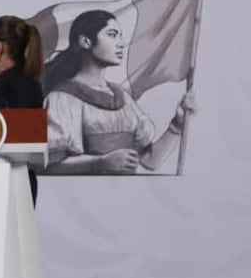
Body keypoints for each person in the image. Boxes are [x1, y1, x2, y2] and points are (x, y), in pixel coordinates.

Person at [42, 9, 196, 175]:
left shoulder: (123, 98)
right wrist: (100, 163)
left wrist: (177, 124)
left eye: (120, 36)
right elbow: (50, 165)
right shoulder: (61, 99)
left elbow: (150, 161)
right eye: (112, 34)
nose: (121, 43)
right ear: (86, 41)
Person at [0, 16, 45, 205]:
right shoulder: (18, 82)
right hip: (10, 181)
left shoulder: (17, 84)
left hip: (13, 184)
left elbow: (21, 136)